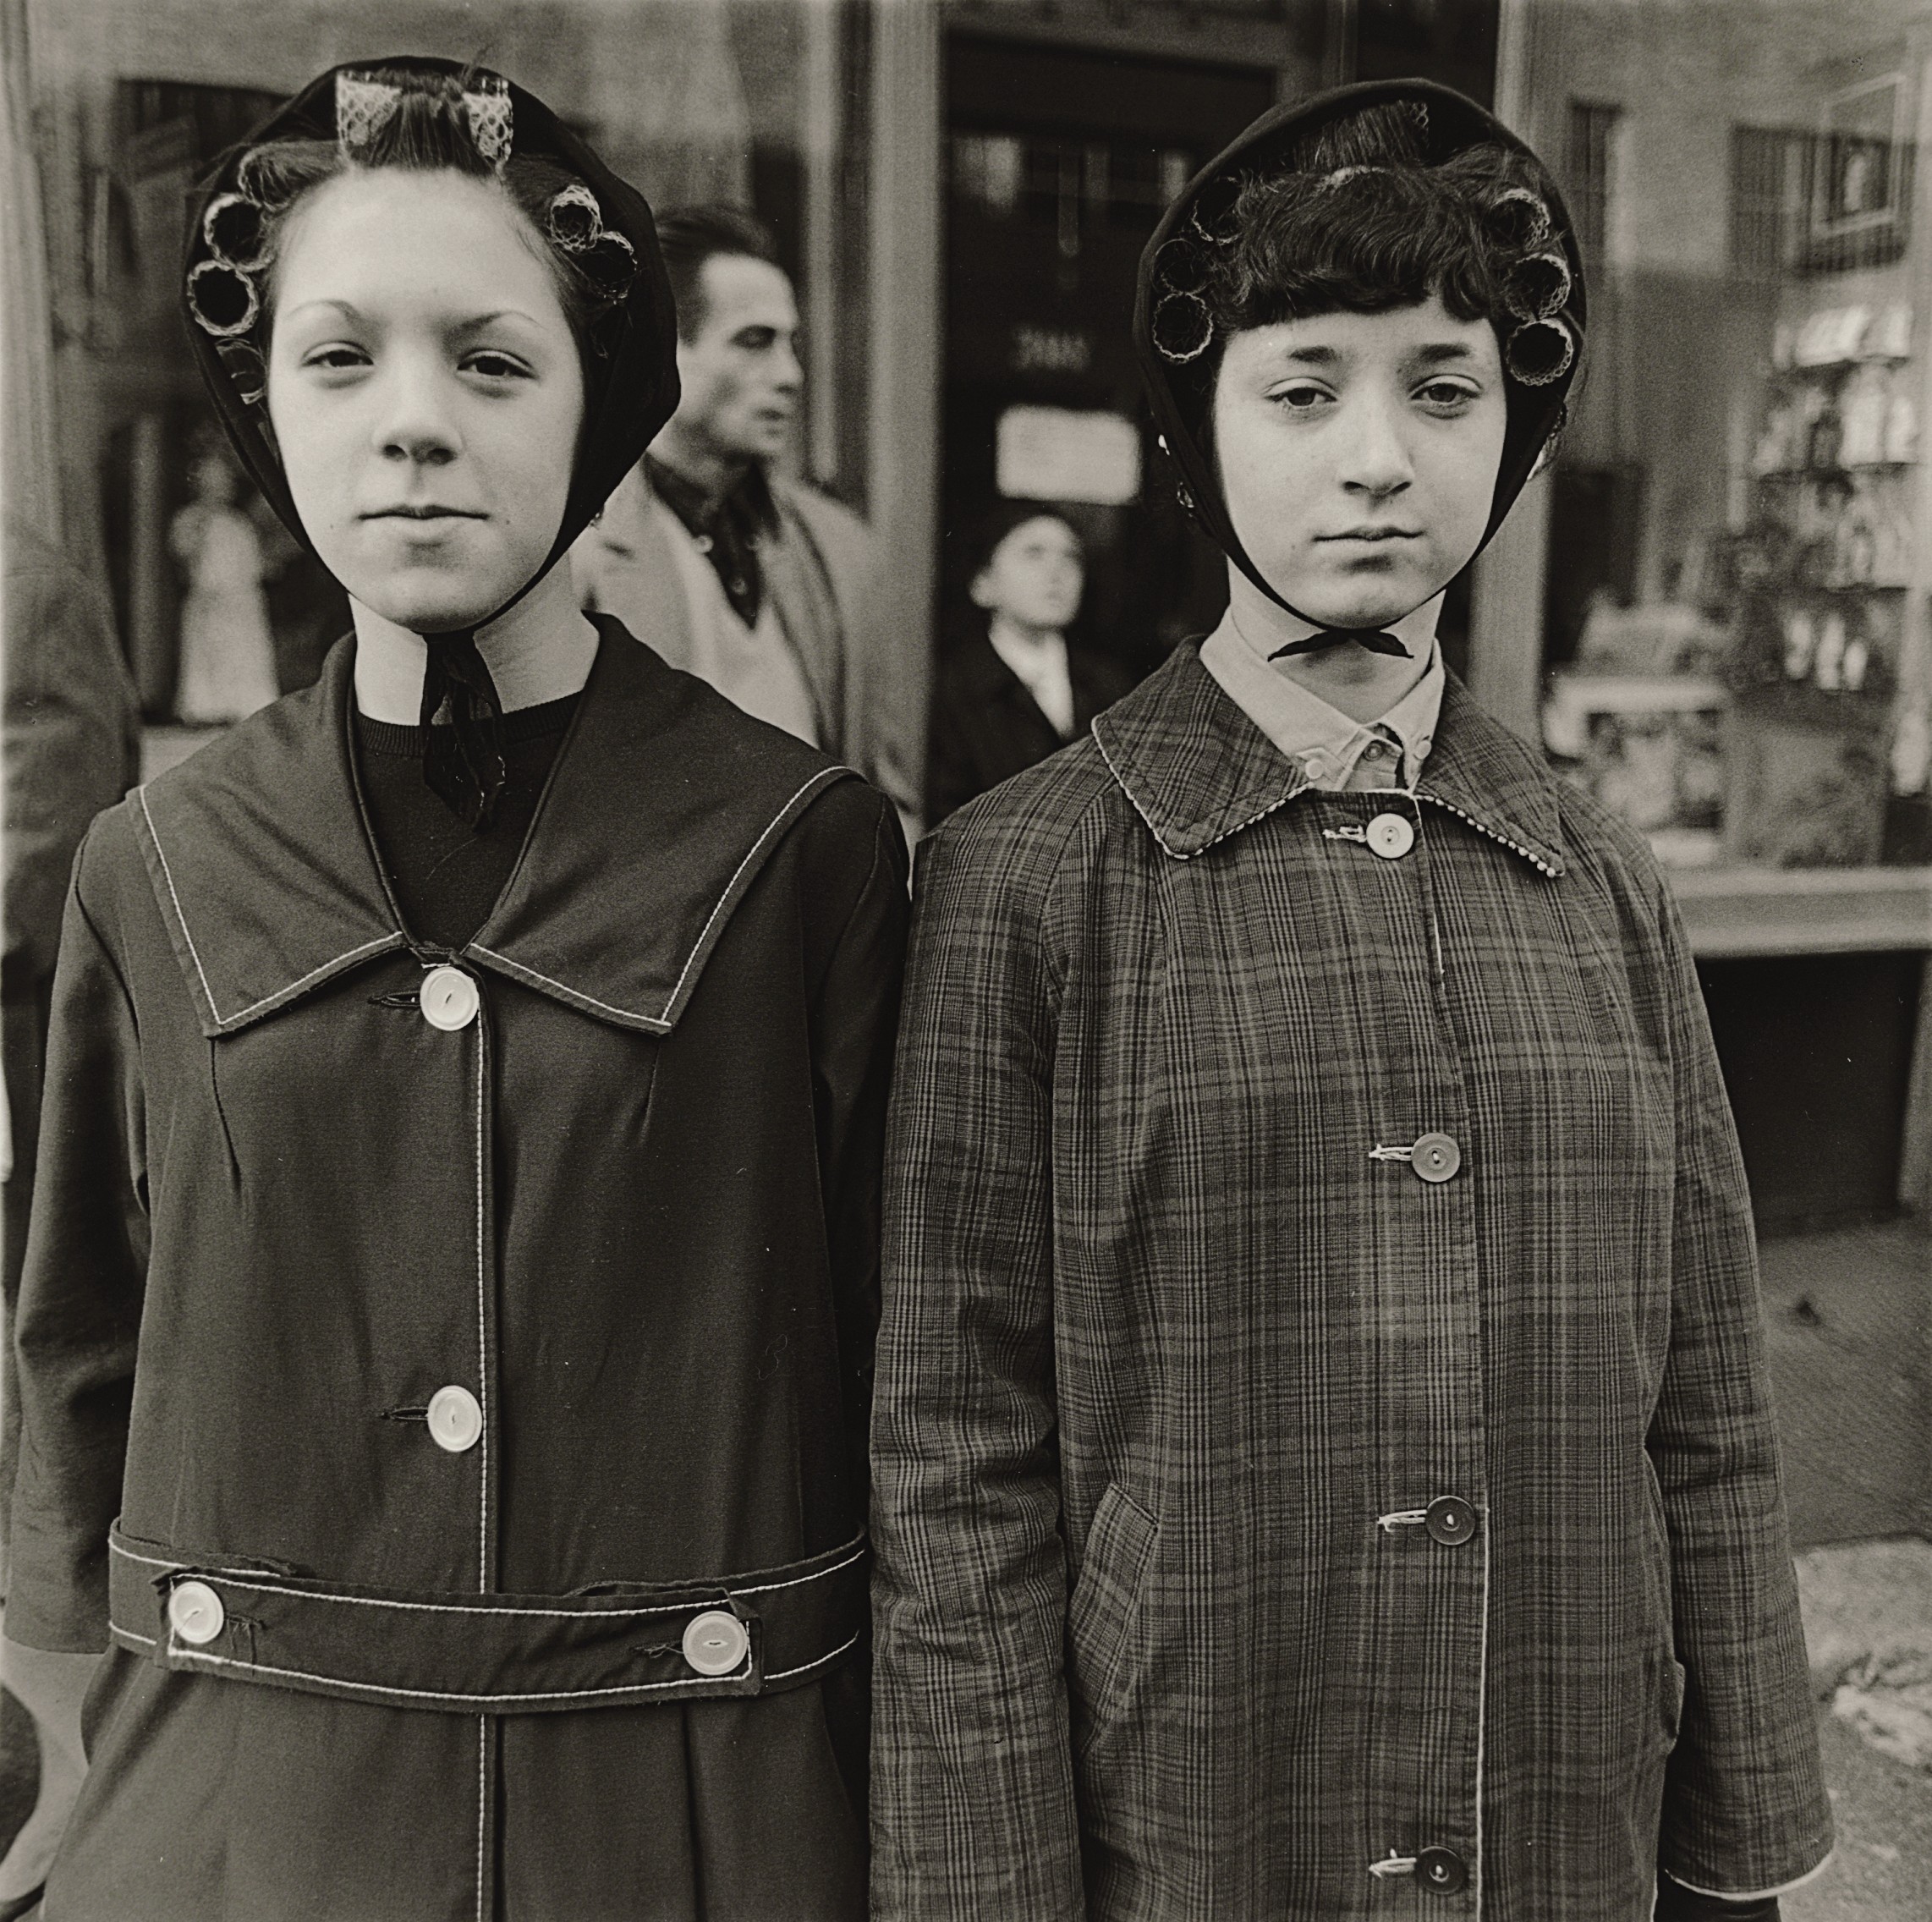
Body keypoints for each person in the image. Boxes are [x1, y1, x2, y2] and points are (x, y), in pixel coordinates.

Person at [870, 79, 1831, 1922]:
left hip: (1560, 1808)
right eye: (1301, 390)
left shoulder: (1598, 879)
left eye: (1440, 390)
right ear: (1199, 431)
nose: (1376, 457)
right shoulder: (1021, 883)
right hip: (1201, 1815)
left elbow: (1705, 1406)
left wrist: (1737, 1852)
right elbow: (953, 1466)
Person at [5, 59, 904, 1920]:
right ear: (265, 403)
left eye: (491, 361)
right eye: (339, 358)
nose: (411, 423)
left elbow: (902, 1372)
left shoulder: (798, 850)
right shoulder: (153, 862)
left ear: (597, 404)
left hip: (687, 1818)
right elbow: (81, 1344)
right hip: (236, 1824)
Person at [572, 205, 919, 825]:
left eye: (792, 345)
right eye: (754, 342)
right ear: (660, 346)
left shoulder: (839, 548)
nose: (791, 376)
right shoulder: (576, 547)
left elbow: (890, 795)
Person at [925, 506, 1135, 822]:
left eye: (1071, 557)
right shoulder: (953, 688)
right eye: (1033, 553)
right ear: (983, 583)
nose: (1057, 572)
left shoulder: (1110, 684)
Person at [170, 433, 282, 723]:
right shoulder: (190, 519)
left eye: (223, 481)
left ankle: (245, 706)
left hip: (241, 603)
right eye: (211, 480)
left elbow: (255, 565)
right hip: (209, 602)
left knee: (243, 654)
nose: (219, 487)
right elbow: (182, 553)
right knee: (209, 656)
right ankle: (207, 708)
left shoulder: (238, 523)